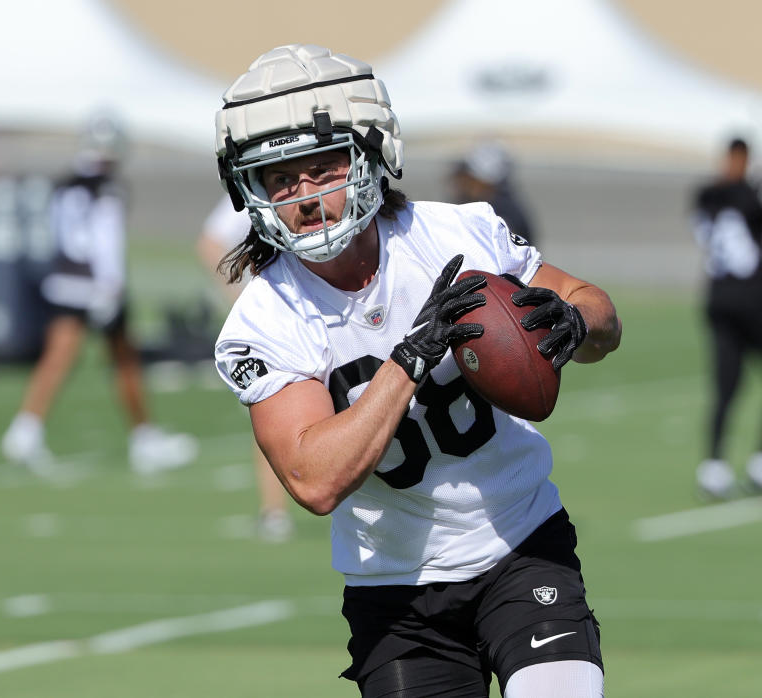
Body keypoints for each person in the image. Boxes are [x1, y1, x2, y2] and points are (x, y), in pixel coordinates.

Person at [213, 45, 622, 697]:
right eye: (281, 180)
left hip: (520, 542)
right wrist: (408, 361)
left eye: (323, 170)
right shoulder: (262, 321)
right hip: (395, 593)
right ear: (250, 191)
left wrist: (574, 325)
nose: (306, 198)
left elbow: (596, 312)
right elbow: (313, 481)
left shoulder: (456, 233)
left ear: (371, 154)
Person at [0, 114, 198, 474]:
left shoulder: (65, 183)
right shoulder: (106, 186)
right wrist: (110, 289)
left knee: (58, 358)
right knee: (124, 361)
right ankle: (144, 439)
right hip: (95, 285)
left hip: (64, 280)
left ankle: (25, 429)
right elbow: (106, 242)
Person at [197, 196, 294, 542]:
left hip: (325, 303)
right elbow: (210, 243)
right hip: (281, 316)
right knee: (271, 403)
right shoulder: (256, 189)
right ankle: (274, 512)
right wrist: (240, 302)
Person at [693, 137, 762, 498]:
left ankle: (715, 465)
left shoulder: (707, 195)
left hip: (717, 300)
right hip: (751, 300)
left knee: (726, 386)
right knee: (728, 384)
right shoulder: (750, 194)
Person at [450, 140, 538, 248]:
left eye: (467, 176)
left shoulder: (497, 218)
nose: (460, 182)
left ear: (484, 180)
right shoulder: (499, 208)